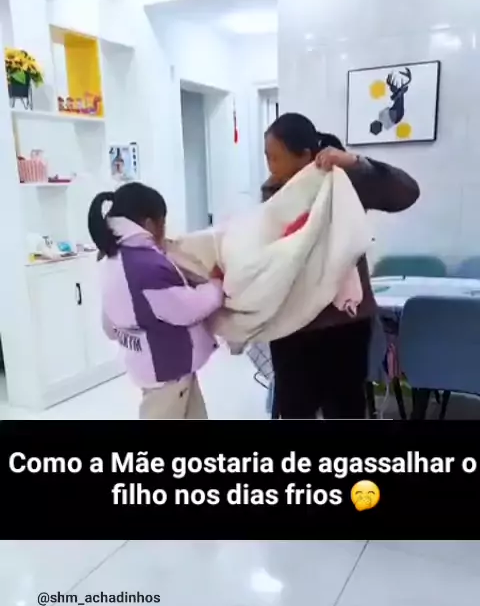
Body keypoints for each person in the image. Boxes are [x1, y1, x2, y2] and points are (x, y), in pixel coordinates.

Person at [263, 112, 420, 419]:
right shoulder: (274, 191)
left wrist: (355, 162)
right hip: (291, 326)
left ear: (304, 155)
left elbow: (406, 192)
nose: (270, 166)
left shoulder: (343, 182)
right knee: (295, 409)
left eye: (275, 157)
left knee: (345, 408)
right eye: (267, 157)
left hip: (342, 325)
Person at [88, 182, 224, 420]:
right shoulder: (147, 266)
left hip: (155, 368)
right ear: (150, 223)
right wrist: (215, 286)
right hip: (168, 371)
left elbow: (109, 326)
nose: (165, 231)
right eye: (163, 223)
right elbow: (187, 309)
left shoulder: (112, 258)